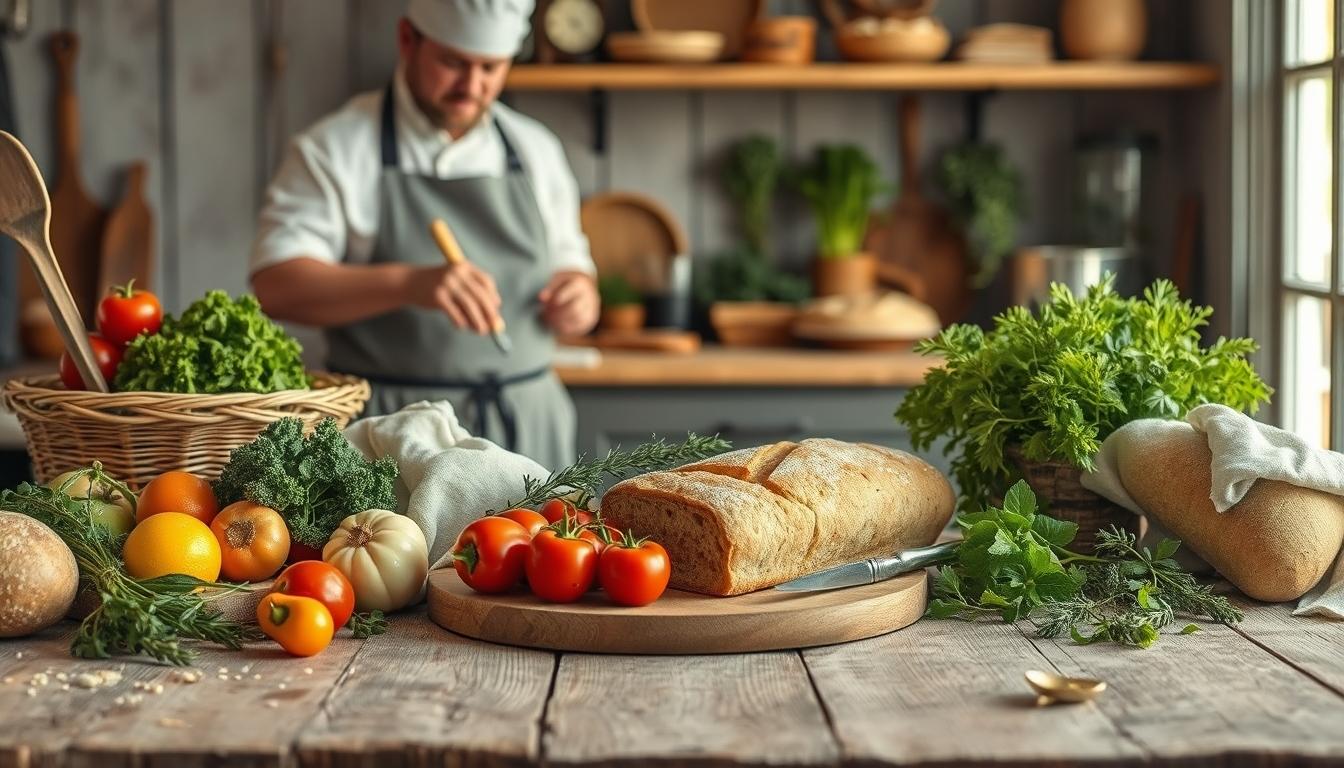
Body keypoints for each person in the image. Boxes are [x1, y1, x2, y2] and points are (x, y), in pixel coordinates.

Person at [249, 0, 598, 470]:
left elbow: (571, 262)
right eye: (454, 62)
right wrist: (410, 284)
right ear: (408, 41)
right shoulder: (336, 149)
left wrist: (580, 296)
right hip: (392, 437)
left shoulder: (537, 148)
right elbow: (276, 285)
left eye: (491, 68)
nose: (472, 87)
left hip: (529, 426)